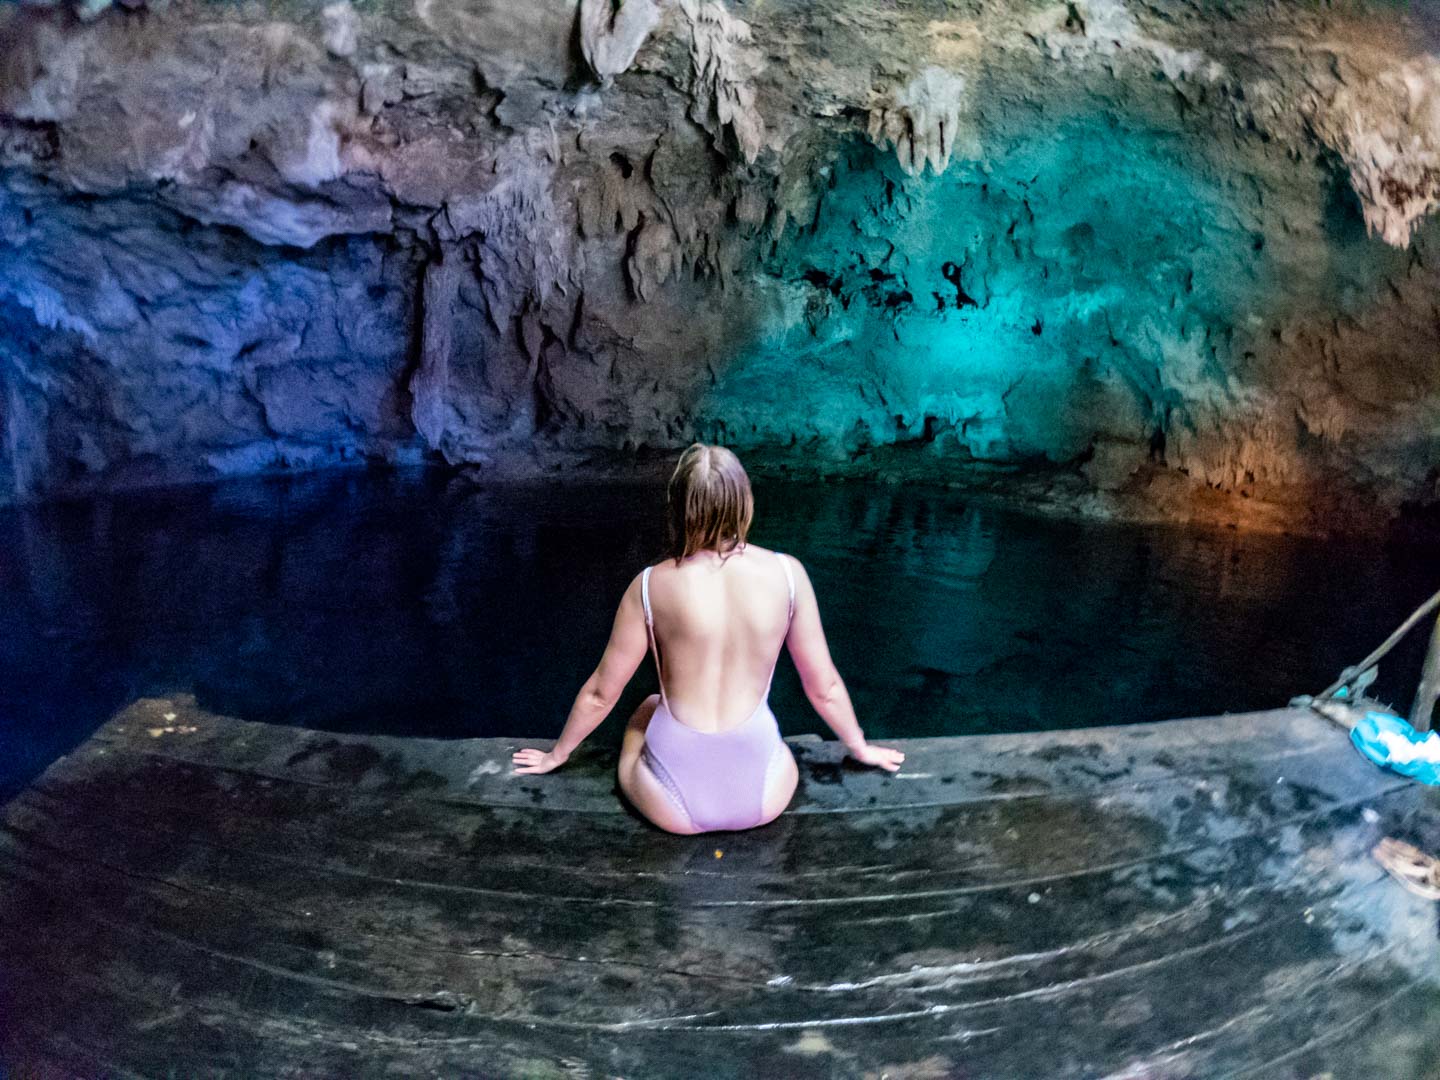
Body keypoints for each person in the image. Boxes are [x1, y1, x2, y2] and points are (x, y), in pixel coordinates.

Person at [512, 443, 904, 833]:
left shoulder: (649, 586)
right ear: (744, 501)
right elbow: (824, 687)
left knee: (645, 708)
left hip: (671, 803)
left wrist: (556, 754)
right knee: (772, 739)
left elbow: (602, 693)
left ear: (678, 506)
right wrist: (859, 747)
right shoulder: (788, 575)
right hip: (762, 798)